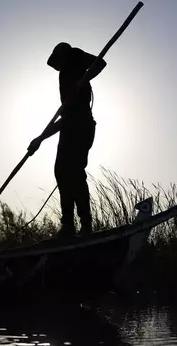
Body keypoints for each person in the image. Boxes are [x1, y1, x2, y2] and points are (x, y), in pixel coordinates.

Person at [27, 42, 107, 237]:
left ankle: (85, 224)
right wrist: (40, 139)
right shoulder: (63, 75)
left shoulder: (76, 57)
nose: (56, 67)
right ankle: (68, 225)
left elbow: (100, 63)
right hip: (70, 125)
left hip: (82, 125)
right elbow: (65, 118)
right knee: (62, 172)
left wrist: (84, 80)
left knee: (75, 173)